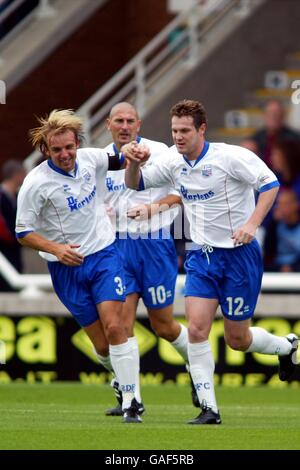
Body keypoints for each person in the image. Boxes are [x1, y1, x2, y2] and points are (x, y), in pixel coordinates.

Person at [124, 99, 299, 425]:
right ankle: (209, 408)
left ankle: (286, 347)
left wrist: (252, 225)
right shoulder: (173, 162)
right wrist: (132, 164)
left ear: (201, 129)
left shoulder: (230, 157)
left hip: (238, 257)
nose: (178, 136)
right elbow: (135, 184)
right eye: (174, 130)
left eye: (185, 130)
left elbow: (270, 184)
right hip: (200, 256)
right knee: (197, 329)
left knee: (237, 339)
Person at [15, 109, 142, 424]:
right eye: (56, 150)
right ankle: (122, 381)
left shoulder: (91, 158)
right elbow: (22, 232)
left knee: (116, 327)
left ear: (77, 143)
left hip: (103, 253)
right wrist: (56, 249)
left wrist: (131, 153)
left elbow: (117, 159)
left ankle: (132, 401)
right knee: (101, 346)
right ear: (45, 150)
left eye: (69, 147)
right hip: (66, 268)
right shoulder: (35, 184)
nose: (65, 155)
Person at [99, 102, 196, 416]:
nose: (125, 126)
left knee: (164, 326)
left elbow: (182, 193)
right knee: (120, 325)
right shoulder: (99, 161)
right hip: (118, 248)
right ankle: (131, 400)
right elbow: (94, 203)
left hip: (155, 245)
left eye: (130, 121)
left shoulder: (161, 153)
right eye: (119, 121)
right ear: (108, 124)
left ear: (138, 124)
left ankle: (197, 369)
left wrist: (152, 209)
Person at [249, 99, 300, 168]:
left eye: (277, 113)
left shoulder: (295, 139)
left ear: (283, 115)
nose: (274, 116)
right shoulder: (255, 139)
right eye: (270, 112)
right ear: (264, 115)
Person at [0, 160, 26, 291]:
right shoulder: (1, 196)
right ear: (17, 175)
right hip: (4, 249)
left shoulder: (16, 196)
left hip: (14, 250)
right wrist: (17, 238)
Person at [263, 189, 300, 272]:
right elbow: (268, 252)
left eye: (286, 204)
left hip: (296, 267)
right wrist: (272, 223)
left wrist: (292, 267)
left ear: (296, 205)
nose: (281, 207)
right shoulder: (275, 225)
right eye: (279, 204)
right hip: (277, 267)